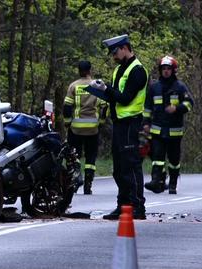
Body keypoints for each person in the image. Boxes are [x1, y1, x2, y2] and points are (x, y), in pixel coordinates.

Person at [88, 34, 148, 220]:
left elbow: (126, 98)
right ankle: (123, 205)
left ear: (125, 48)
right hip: (119, 124)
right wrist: (101, 91)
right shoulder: (118, 69)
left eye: (115, 51)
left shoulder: (137, 70)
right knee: (119, 168)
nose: (113, 56)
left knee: (131, 166)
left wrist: (106, 89)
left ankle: (138, 206)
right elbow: (115, 96)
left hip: (131, 123)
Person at [143, 56, 194, 194]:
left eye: (168, 69)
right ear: (160, 70)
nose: (166, 71)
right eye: (163, 69)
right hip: (157, 130)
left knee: (174, 160)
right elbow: (147, 107)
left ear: (173, 70)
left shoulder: (180, 87)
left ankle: (172, 183)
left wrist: (177, 108)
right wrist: (146, 123)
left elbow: (189, 103)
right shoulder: (154, 87)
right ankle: (157, 181)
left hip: (174, 131)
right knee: (157, 157)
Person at [64, 61, 108, 195]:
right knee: (91, 157)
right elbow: (104, 106)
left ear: (79, 70)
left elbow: (67, 107)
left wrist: (67, 123)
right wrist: (101, 121)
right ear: (90, 70)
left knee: (74, 154)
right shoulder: (97, 85)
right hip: (93, 129)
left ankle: (76, 176)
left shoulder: (74, 86)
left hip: (76, 128)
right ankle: (88, 184)